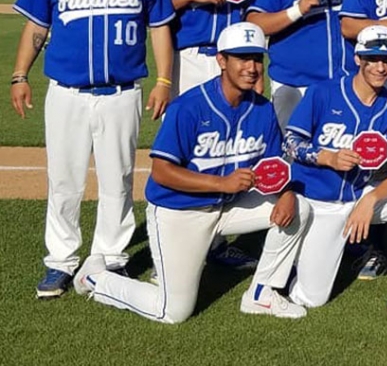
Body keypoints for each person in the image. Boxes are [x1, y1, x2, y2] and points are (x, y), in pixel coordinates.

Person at [71, 22, 310, 323]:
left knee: (300, 207)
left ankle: (261, 294)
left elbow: (276, 164)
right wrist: (222, 182)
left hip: (229, 206)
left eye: (256, 58)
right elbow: (162, 172)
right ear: (222, 61)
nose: (251, 67)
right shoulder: (190, 106)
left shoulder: (261, 109)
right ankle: (95, 278)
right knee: (172, 311)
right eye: (242, 58)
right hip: (179, 212)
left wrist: (287, 193)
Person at [11, 0, 174, 298]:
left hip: (122, 93)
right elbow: (36, 27)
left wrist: (165, 81)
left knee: (117, 178)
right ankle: (61, 262)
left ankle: (111, 258)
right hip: (66, 93)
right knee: (64, 180)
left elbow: (159, 29)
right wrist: (19, 75)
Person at [283, 25, 387, 329]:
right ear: (358, 58)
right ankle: (300, 259)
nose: (381, 67)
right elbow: (290, 143)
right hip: (320, 201)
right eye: (373, 58)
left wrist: (371, 199)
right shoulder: (323, 92)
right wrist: (325, 156)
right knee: (311, 298)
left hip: (362, 195)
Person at [162, 0, 265, 271]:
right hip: (191, 57)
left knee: (230, 148)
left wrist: (257, 74)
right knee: (190, 148)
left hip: (238, 66)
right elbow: (158, 6)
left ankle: (217, 241)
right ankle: (180, 238)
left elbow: (256, 17)